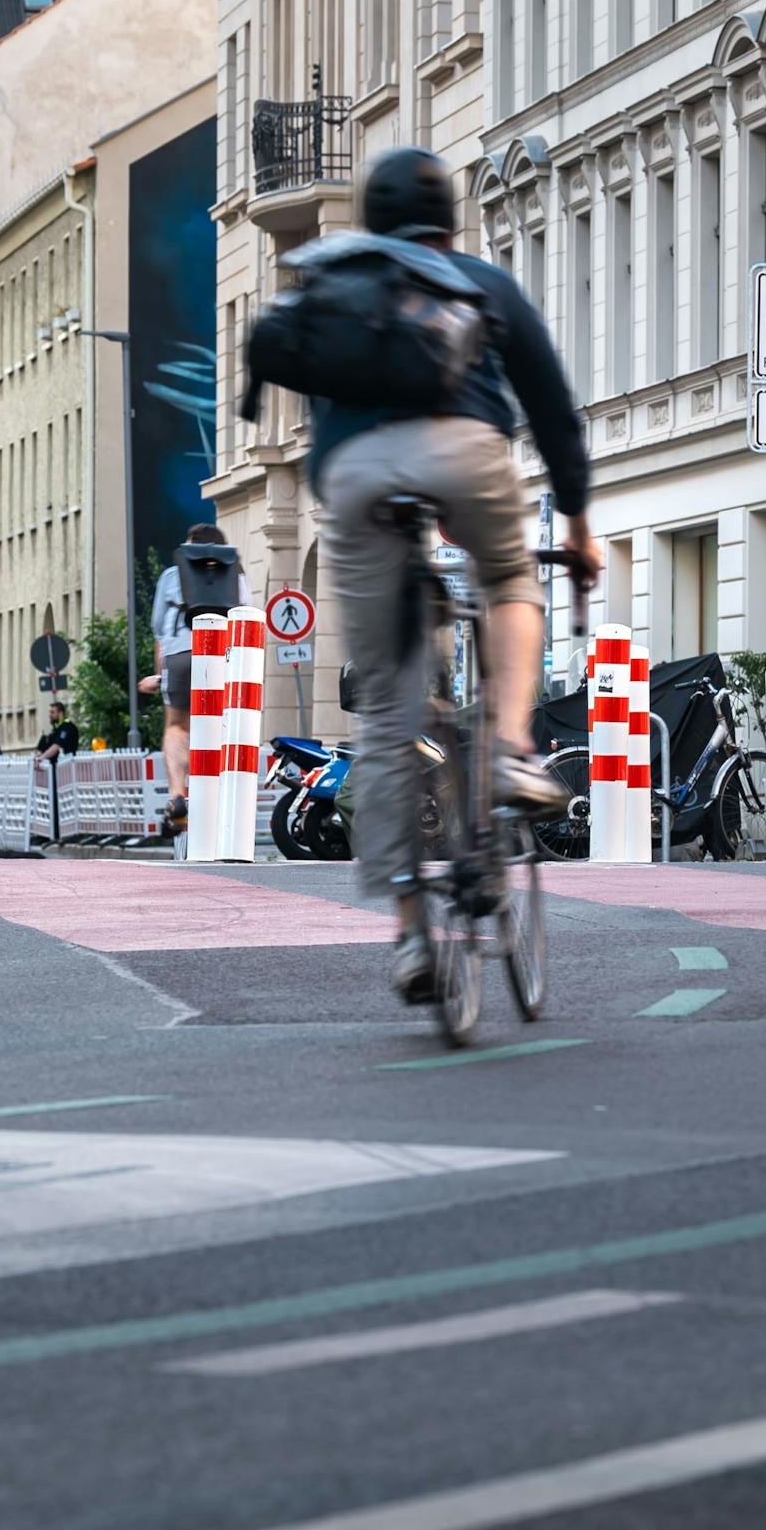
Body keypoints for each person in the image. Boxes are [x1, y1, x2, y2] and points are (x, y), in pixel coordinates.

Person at [267, 144, 600, 1001]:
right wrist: (582, 525)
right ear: (450, 220)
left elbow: (318, 402)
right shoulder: (480, 283)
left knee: (385, 713)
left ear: (371, 225)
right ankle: (512, 751)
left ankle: (412, 933)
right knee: (511, 575)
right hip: (466, 451)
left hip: (353, 479)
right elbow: (554, 412)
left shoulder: (338, 285)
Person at [142, 524, 247, 820]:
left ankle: (178, 794)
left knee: (177, 725)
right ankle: (223, 804)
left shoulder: (172, 575)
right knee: (224, 727)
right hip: (224, 656)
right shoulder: (235, 574)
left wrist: (160, 677)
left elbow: (160, 633)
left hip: (181, 654)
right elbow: (247, 618)